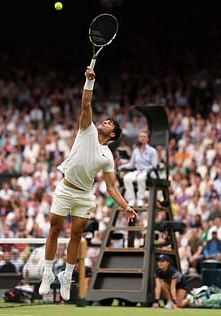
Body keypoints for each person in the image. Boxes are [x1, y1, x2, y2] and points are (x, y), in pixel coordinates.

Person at [39, 66, 138, 301]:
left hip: (84, 195)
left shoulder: (107, 157)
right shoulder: (87, 130)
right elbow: (86, 105)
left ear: (113, 134)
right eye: (105, 120)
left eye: (110, 123)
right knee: (54, 228)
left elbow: (111, 188)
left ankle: (67, 275)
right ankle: (47, 273)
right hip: (65, 188)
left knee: (76, 234)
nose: (105, 122)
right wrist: (89, 82)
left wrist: (125, 206)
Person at [118, 130, 158, 207]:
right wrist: (121, 167)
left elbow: (154, 165)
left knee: (140, 178)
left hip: (149, 172)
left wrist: (144, 171)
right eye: (141, 137)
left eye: (144, 137)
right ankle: (132, 199)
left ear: (147, 139)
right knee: (127, 178)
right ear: (139, 138)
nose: (142, 138)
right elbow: (132, 164)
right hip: (138, 171)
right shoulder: (136, 151)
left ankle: (140, 199)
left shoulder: (152, 151)